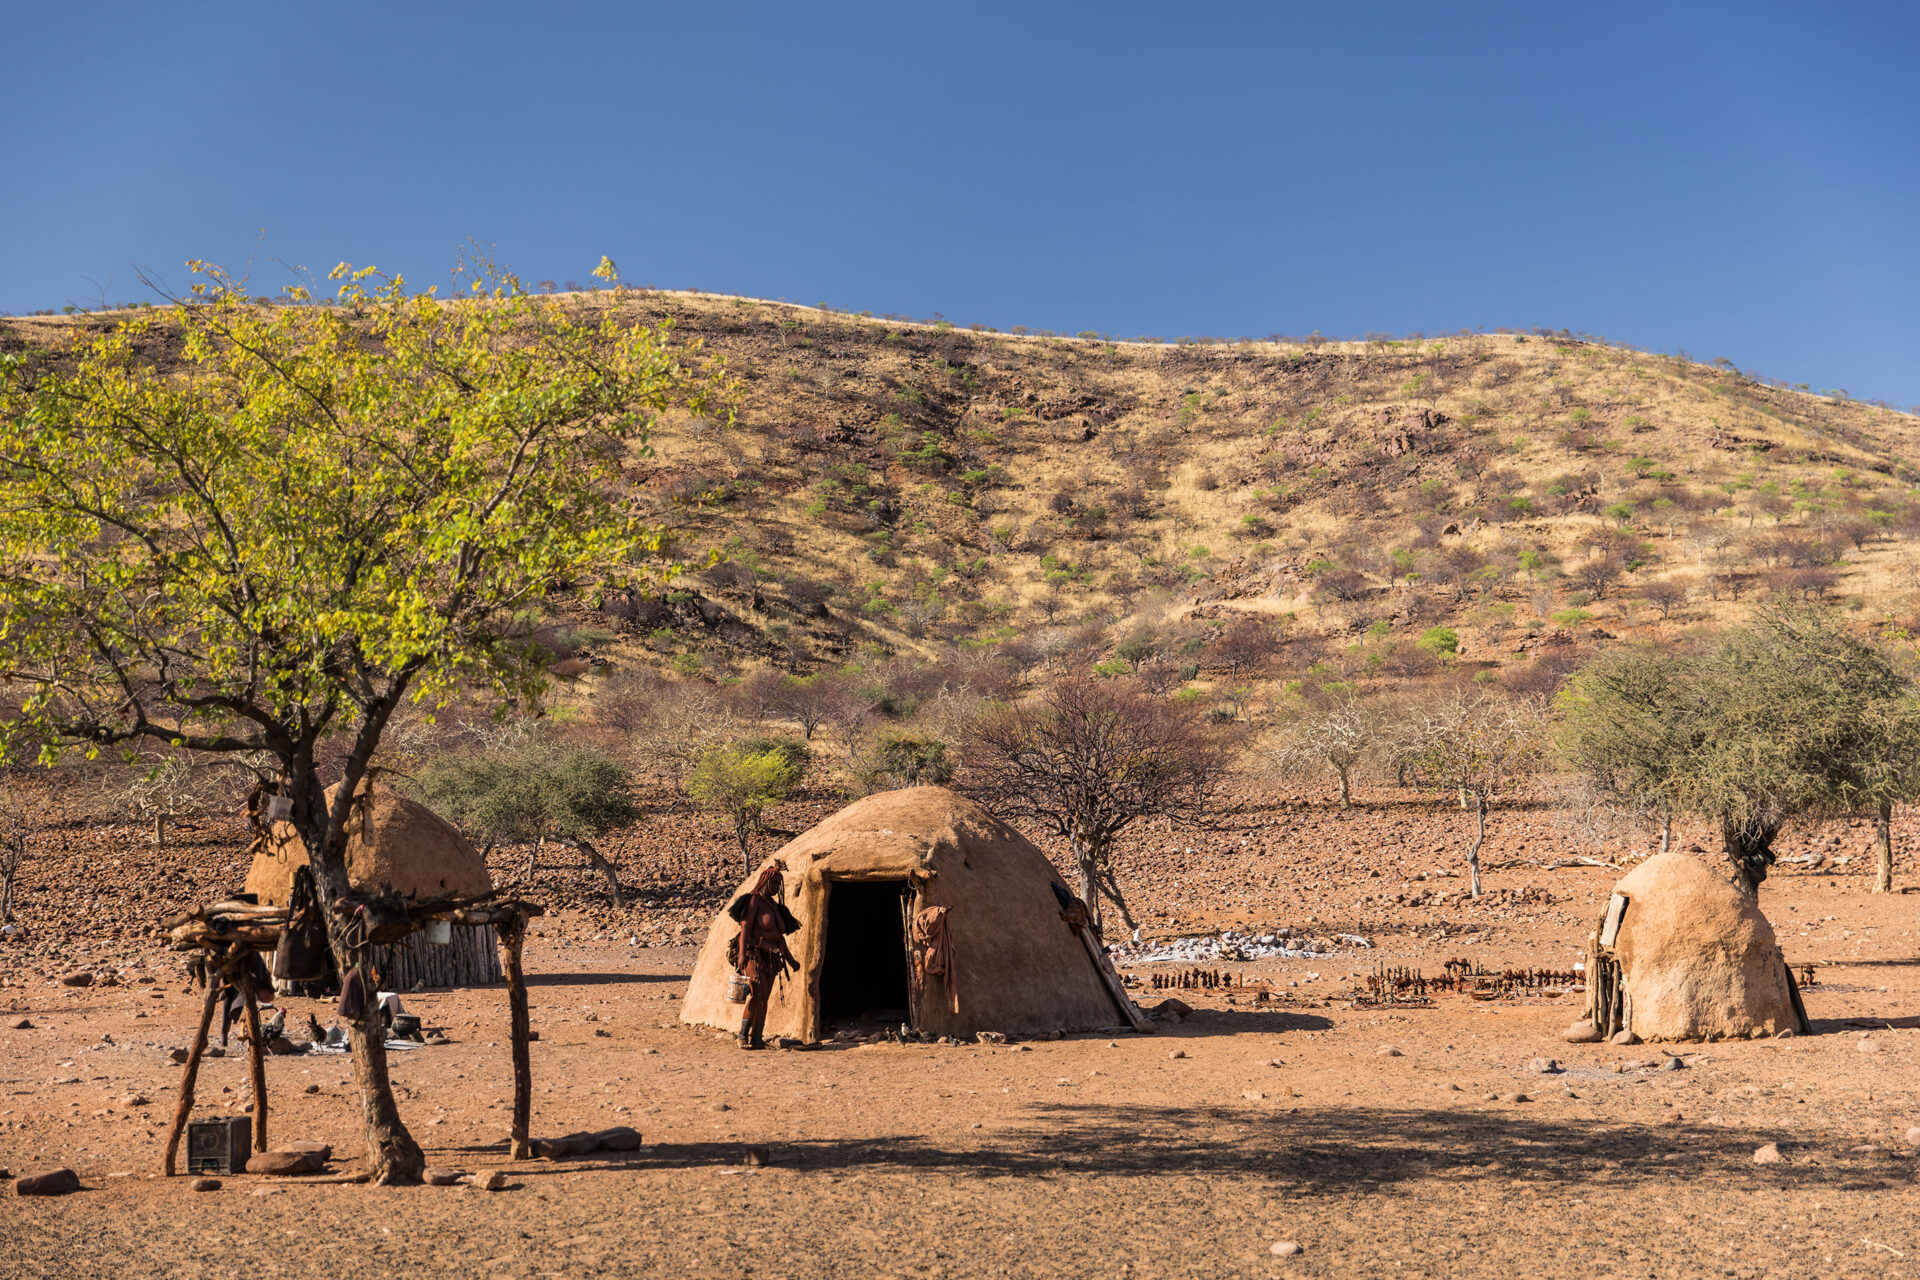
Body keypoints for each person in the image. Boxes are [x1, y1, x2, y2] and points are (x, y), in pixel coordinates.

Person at [727, 860, 800, 1049]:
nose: (776, 888)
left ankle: (757, 1038)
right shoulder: (753, 901)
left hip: (772, 958)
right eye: (774, 883)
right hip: (755, 955)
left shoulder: (774, 906)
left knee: (764, 999)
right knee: (756, 995)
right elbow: (745, 928)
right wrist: (742, 955)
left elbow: (780, 937)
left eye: (778, 884)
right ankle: (742, 1036)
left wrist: (790, 960)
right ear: (764, 881)